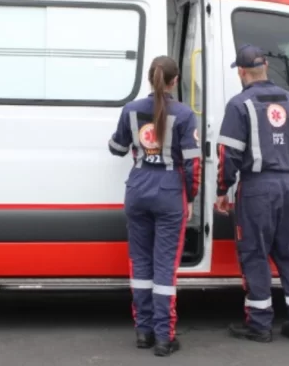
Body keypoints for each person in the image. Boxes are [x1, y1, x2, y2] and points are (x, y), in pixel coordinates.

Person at [213, 43, 289, 344]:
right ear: (266, 66)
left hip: (257, 188)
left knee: (255, 254)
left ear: (241, 72)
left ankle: (259, 324)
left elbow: (228, 153)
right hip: (288, 185)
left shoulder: (239, 104)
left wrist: (222, 190)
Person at [108, 55, 202, 357]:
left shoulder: (131, 110)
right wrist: (190, 197)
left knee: (140, 264)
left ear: (151, 78)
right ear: (175, 81)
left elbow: (117, 147)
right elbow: (192, 164)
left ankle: (143, 332)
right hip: (169, 191)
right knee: (164, 267)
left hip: (137, 189)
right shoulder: (186, 115)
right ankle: (164, 337)